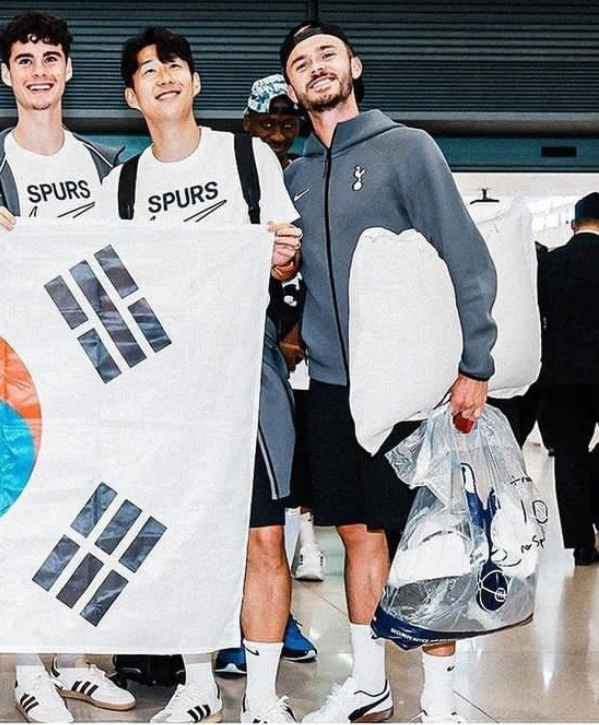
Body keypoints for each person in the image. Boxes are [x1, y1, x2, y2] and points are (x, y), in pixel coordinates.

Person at [279, 20, 497, 723]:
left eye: (327, 54)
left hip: (411, 384)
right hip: (333, 387)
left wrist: (475, 361)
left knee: (427, 539)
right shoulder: (293, 177)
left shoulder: (407, 148)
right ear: (291, 86)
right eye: (300, 62)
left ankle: (440, 698)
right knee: (354, 535)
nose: (315, 66)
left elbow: (464, 256)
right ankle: (369, 682)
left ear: (354, 66)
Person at [98, 27, 304, 724]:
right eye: (146, 70)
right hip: (168, 385)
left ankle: (264, 695)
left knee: (262, 535)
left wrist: (281, 256)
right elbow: (102, 282)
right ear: (132, 96)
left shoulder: (245, 157)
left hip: (246, 372)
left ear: (194, 82)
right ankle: (196, 683)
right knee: (184, 532)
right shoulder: (122, 184)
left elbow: (286, 257)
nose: (163, 76)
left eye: (174, 65)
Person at [0, 11, 133, 724]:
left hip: (88, 368)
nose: (38, 71)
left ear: (68, 69)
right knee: (22, 513)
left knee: (82, 509)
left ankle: (75, 660)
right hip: (11, 371)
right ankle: (29, 667)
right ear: (6, 75)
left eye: (50, 57)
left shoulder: (106, 166)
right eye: (25, 60)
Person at [212, 73, 319, 681]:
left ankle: (278, 617)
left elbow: (318, 269)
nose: (278, 134)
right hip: (229, 363)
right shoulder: (231, 174)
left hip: (292, 370)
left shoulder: (306, 177)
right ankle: (226, 619)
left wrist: (299, 330)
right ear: (247, 124)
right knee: (229, 498)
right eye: (267, 123)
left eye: (287, 123)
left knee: (280, 497)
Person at [536, 191, 599, 567]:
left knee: (570, 455)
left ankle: (581, 544)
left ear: (573, 224)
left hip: (561, 376)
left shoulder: (549, 264)